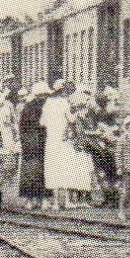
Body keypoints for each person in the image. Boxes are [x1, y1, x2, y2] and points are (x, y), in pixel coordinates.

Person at [42, 79, 80, 210]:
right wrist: (77, 111)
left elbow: (43, 122)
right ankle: (68, 201)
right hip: (63, 140)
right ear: (62, 90)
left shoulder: (47, 103)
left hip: (51, 140)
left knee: (53, 171)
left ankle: (56, 203)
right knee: (66, 169)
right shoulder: (64, 103)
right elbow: (71, 119)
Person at [17, 83, 47, 205]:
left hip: (32, 142)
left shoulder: (28, 107)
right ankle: (36, 199)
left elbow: (22, 127)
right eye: (44, 95)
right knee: (36, 171)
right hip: (35, 142)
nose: (45, 97)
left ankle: (33, 200)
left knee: (33, 171)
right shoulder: (36, 107)